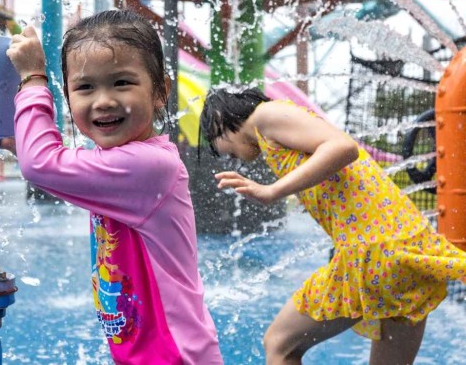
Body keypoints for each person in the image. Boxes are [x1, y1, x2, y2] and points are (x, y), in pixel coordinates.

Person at [6, 10, 223, 364]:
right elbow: (47, 159)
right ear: (69, 96)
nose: (103, 100)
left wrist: (32, 79)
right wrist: (20, 136)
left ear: (160, 92)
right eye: (85, 87)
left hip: (174, 356)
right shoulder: (128, 162)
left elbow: (39, 164)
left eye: (122, 82)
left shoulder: (148, 166)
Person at [200, 87, 466, 365]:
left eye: (216, 143)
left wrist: (273, 191)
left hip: (373, 252)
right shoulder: (274, 129)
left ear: (220, 120)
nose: (227, 156)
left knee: (279, 345)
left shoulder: (265, 115)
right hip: (406, 250)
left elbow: (343, 147)